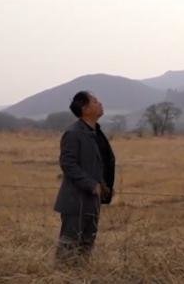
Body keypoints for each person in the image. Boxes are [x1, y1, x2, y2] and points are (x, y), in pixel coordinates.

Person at [54, 91, 115, 264]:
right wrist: (90, 184)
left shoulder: (95, 131)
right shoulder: (73, 133)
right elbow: (68, 164)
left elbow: (101, 162)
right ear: (85, 108)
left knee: (86, 247)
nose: (100, 103)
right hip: (75, 200)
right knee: (68, 249)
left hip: (93, 200)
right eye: (95, 101)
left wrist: (103, 185)